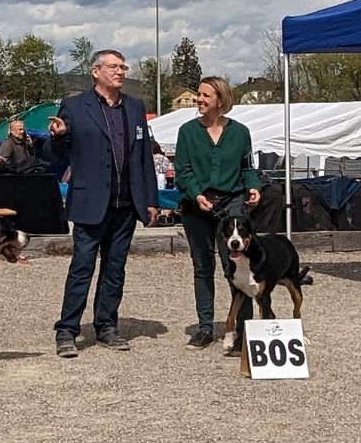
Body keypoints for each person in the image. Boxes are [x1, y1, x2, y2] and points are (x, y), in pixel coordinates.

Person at [47, 49, 158, 358]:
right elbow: (56, 156)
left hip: (125, 204)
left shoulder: (135, 107)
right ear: (96, 72)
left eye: (122, 67)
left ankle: (106, 325)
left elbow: (143, 156)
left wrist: (150, 199)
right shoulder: (74, 106)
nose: (120, 71)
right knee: (82, 267)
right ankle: (67, 330)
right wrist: (57, 136)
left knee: (115, 268)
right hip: (90, 201)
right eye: (113, 66)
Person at [173, 76, 262, 351]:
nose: (199, 100)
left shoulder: (240, 132)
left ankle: (242, 330)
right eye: (199, 95)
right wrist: (197, 194)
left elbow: (247, 167)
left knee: (236, 267)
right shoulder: (187, 132)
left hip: (232, 206)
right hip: (196, 205)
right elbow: (183, 170)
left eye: (205, 96)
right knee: (202, 267)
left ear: (221, 100)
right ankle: (204, 329)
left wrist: (254, 187)